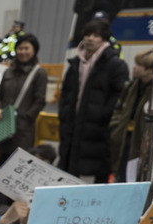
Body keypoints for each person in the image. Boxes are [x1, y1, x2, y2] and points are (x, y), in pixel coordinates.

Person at [58, 20, 128, 183]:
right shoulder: (76, 63)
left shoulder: (115, 64)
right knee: (69, 171)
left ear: (103, 39)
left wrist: (104, 114)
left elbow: (120, 95)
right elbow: (66, 92)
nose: (90, 39)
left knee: (96, 174)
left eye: (95, 35)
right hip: (72, 126)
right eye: (87, 34)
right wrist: (65, 113)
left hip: (98, 129)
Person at [0, 33, 48, 158]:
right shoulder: (8, 71)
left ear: (34, 50)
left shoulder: (39, 73)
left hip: (23, 130)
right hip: (3, 125)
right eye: (20, 48)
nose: (23, 52)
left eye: (26, 48)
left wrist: (25, 118)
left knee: (17, 161)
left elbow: (40, 101)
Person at [111, 48, 153, 181]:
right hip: (124, 138)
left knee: (136, 178)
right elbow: (118, 110)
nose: (134, 68)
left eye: (139, 65)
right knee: (120, 176)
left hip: (142, 143)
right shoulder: (131, 87)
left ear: (151, 70)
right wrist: (114, 129)